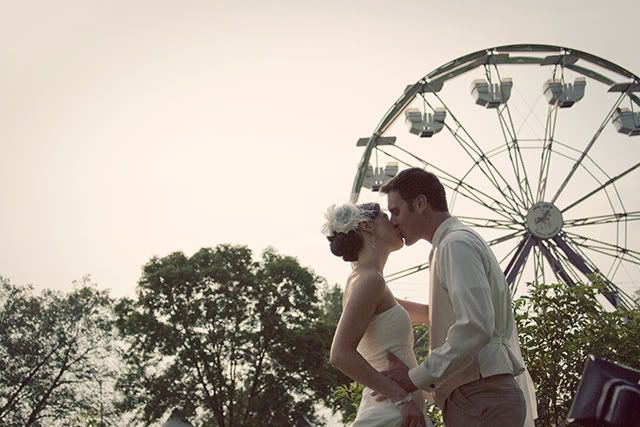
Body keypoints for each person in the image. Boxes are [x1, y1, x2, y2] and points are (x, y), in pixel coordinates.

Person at [373, 167, 536, 427]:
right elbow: (446, 316)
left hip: (480, 396)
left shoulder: (455, 244)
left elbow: (476, 325)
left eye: (396, 211)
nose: (393, 221)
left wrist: (416, 377)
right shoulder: (447, 245)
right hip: (476, 396)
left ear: (420, 203)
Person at [322, 202, 431, 427]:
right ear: (366, 225)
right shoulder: (370, 281)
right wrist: (401, 398)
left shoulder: (370, 282)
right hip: (392, 413)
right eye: (384, 216)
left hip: (400, 413)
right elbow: (340, 354)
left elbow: (432, 314)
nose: (393, 221)